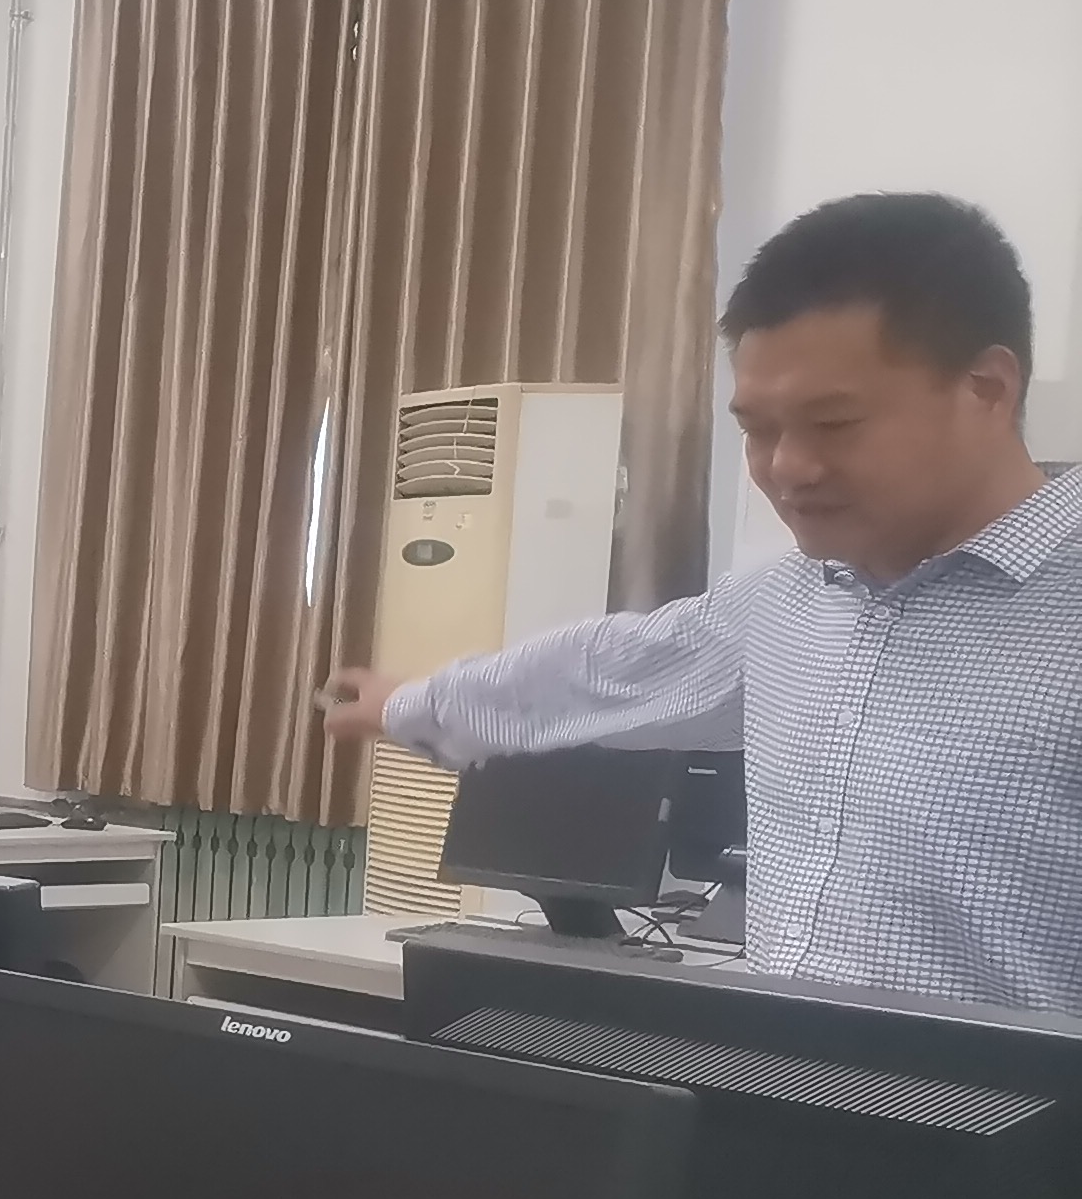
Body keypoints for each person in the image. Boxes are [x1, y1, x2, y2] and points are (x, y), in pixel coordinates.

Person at [323, 192, 1082, 1012]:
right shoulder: (784, 602)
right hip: (772, 1076)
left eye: (834, 423)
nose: (787, 468)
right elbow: (604, 672)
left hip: (993, 1093)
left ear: (986, 388)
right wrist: (412, 704)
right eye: (758, 429)